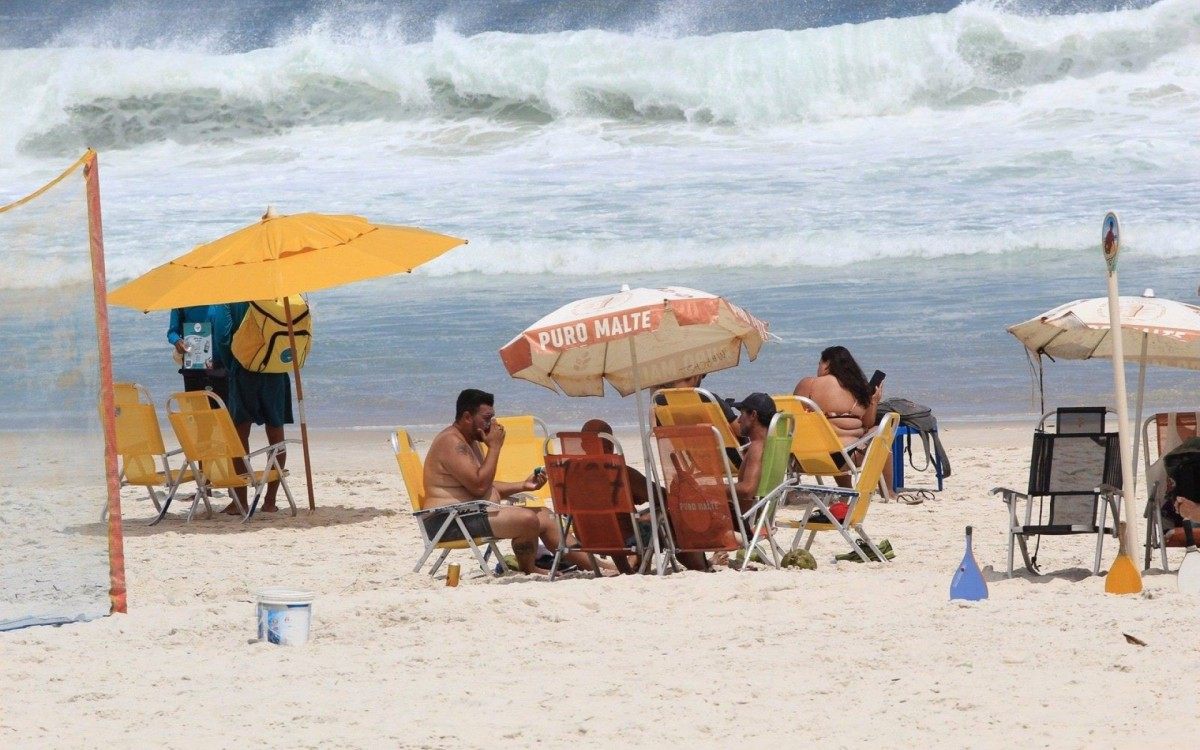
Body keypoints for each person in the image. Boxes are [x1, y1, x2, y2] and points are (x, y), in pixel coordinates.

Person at [423, 389, 602, 574]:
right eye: (486, 418)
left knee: (546, 516)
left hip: (468, 515)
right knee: (527, 519)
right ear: (467, 417)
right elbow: (478, 486)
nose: (492, 424)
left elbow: (482, 484)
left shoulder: (470, 442)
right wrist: (494, 447)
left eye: (492, 418)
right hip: (448, 522)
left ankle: (597, 566)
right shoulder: (452, 443)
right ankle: (529, 568)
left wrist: (524, 485)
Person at [224, 300, 291, 515]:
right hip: (276, 370)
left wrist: (232, 365)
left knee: (240, 437)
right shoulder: (278, 295)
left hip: (245, 372)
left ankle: (241, 501)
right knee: (276, 436)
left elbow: (223, 336)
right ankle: (270, 501)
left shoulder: (232, 298)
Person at [793, 345, 887, 493]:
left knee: (829, 434)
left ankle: (844, 489)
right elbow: (868, 423)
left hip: (805, 459)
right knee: (882, 431)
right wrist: (874, 401)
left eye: (819, 364)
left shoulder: (807, 384)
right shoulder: (856, 388)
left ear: (828, 364)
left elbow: (793, 418)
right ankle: (888, 490)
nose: (818, 368)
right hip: (845, 461)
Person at [167, 305, 234, 404]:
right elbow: (172, 333)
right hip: (193, 370)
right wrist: (177, 341)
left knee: (224, 414)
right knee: (198, 414)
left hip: (221, 369)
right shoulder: (180, 303)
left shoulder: (223, 301)